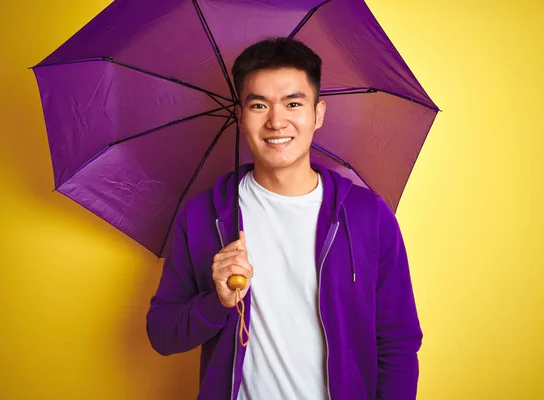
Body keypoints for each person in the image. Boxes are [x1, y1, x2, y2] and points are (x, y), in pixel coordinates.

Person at [146, 37, 422, 400]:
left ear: (318, 114)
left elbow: (398, 343)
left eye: (293, 103)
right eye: (259, 105)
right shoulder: (204, 215)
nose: (277, 121)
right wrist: (218, 301)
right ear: (241, 116)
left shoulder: (367, 215)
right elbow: (163, 334)